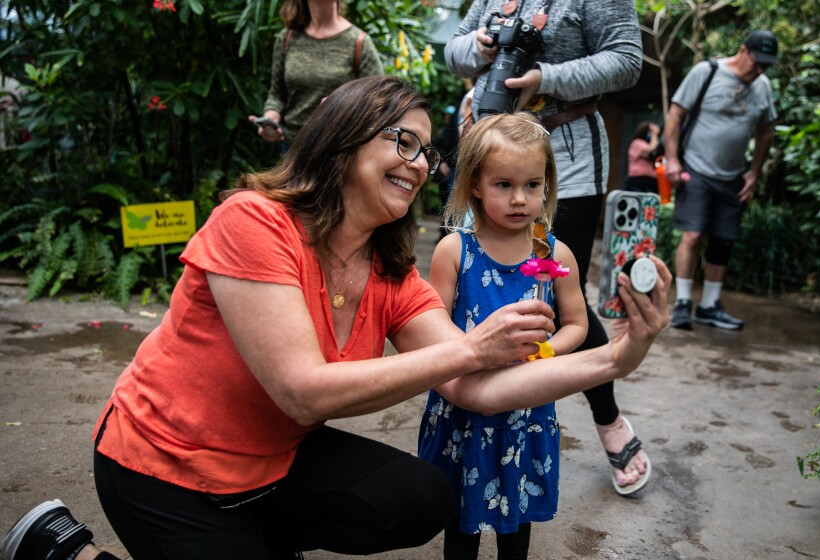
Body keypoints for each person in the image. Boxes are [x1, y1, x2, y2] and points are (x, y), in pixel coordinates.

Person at [2, 76, 671, 560]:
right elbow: (299, 389)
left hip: (273, 462)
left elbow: (477, 391)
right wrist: (473, 347)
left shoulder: (392, 273)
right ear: (344, 137)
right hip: (162, 467)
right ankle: (63, 550)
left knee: (423, 497)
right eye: (403, 141)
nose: (419, 164)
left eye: (427, 153)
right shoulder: (254, 221)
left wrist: (616, 358)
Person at [444, 0, 652, 495]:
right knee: (479, 283)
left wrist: (545, 76)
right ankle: (476, 396)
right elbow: (454, 51)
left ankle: (607, 420)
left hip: (563, 163)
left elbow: (626, 59)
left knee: (560, 294)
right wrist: (478, 46)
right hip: (489, 157)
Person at [418, 112, 588, 559]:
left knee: (518, 523)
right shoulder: (455, 251)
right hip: (464, 411)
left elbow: (578, 325)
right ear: (475, 183)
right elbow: (431, 331)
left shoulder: (552, 253)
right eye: (504, 185)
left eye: (532, 185)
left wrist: (544, 351)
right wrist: (475, 352)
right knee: (461, 524)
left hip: (525, 411)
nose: (520, 199)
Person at [664, 30, 778, 331]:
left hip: (734, 175)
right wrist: (673, 159)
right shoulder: (707, 71)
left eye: (766, 65)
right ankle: (684, 302)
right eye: (757, 62)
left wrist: (754, 171)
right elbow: (675, 115)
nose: (760, 70)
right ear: (743, 50)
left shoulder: (762, 86)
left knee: (723, 240)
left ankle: (710, 305)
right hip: (697, 169)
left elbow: (765, 132)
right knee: (693, 235)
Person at [249, 0, 383, 147]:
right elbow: (277, 95)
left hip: (337, 150)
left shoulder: (359, 42)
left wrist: (341, 107)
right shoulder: (288, 38)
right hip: (293, 148)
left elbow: (378, 101)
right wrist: (270, 121)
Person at [433, 105, 460, 240]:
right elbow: (437, 148)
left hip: (451, 171)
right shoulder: (444, 131)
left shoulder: (451, 129)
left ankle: (446, 233)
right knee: (445, 203)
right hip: (445, 173)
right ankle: (444, 233)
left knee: (450, 203)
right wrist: (441, 163)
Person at [624, 121, 661, 193]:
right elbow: (651, 150)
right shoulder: (637, 143)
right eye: (650, 131)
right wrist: (654, 134)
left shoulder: (650, 144)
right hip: (638, 181)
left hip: (652, 181)